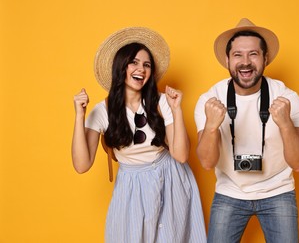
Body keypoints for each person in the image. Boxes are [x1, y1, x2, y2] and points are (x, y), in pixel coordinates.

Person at [72, 26, 206, 243]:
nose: (141, 69)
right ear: (121, 67)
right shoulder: (102, 111)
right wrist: (79, 116)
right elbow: (81, 165)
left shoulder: (162, 102)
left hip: (170, 179)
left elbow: (181, 156)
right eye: (134, 62)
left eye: (147, 65)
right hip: (131, 185)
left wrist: (177, 109)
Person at [194, 18, 299, 242]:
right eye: (238, 55)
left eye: (253, 54)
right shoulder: (210, 100)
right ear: (227, 59)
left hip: (278, 190)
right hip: (230, 191)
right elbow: (207, 163)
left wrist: (285, 124)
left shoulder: (288, 98)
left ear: (265, 58)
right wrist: (210, 127)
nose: (245, 62)